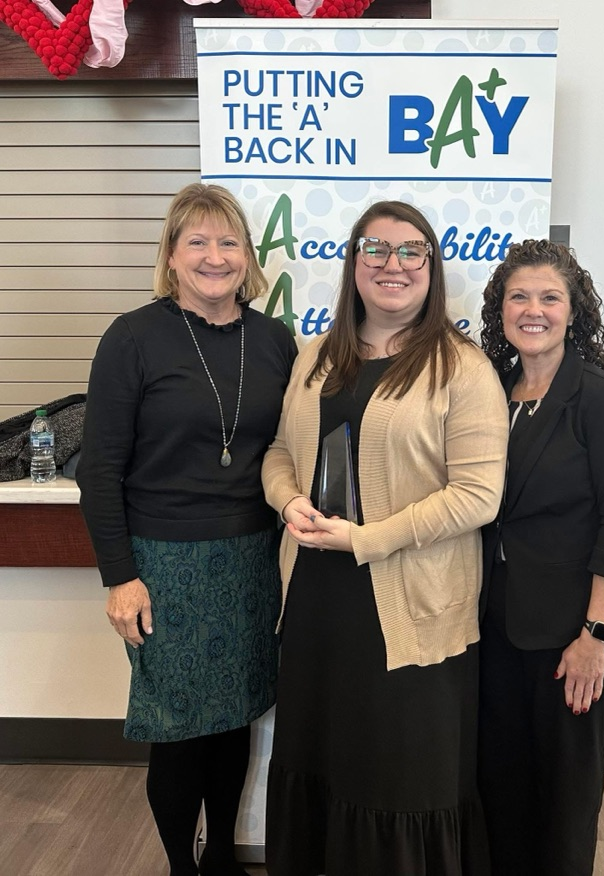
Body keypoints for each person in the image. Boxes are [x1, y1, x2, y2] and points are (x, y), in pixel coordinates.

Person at [260, 200, 508, 876]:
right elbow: (281, 451)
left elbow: (479, 495)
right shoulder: (316, 355)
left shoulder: (463, 368)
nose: (391, 265)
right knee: (319, 761)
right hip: (316, 601)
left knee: (397, 777)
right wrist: (289, 503)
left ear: (431, 267)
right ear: (353, 263)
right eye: (375, 249)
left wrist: (369, 538)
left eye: (409, 252)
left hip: (409, 611)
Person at [76, 183, 297, 876]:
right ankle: (181, 864)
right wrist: (120, 577)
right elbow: (98, 471)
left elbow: (289, 449)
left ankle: (223, 857)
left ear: (247, 256)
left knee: (233, 721)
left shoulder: (274, 340)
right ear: (171, 256)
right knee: (176, 730)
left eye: (228, 241)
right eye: (196, 241)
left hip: (252, 559)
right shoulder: (133, 338)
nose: (214, 256)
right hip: (162, 566)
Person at [477, 239, 604, 875]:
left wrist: (595, 636)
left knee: (565, 803)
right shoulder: (488, 393)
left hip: (572, 640)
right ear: (499, 310)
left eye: (550, 297)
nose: (534, 310)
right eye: (518, 296)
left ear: (574, 311)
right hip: (493, 631)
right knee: (500, 794)